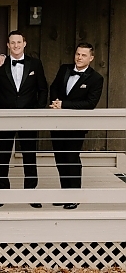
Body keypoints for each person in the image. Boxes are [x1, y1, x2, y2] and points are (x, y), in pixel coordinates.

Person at [0, 30, 48, 208]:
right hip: (5, 116)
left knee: (30, 155)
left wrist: (37, 111)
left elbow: (43, 89)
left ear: (24, 43)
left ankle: (31, 192)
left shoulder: (35, 64)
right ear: (8, 45)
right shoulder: (0, 65)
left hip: (29, 116)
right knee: (3, 155)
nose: (16, 45)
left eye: (19, 42)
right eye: (12, 43)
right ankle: (2, 192)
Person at [49, 42, 104, 210]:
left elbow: (90, 103)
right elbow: (54, 87)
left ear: (91, 58)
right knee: (60, 159)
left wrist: (64, 104)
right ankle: (65, 194)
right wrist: (56, 102)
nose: (79, 57)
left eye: (84, 55)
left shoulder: (96, 78)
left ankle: (74, 196)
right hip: (57, 123)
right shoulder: (64, 69)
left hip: (76, 126)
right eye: (78, 54)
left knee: (71, 158)